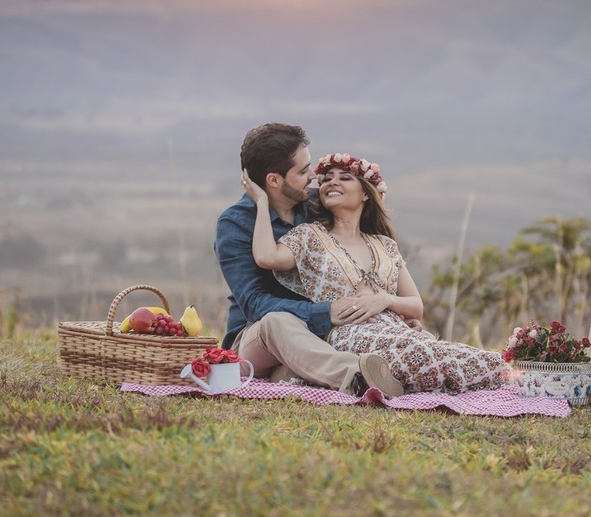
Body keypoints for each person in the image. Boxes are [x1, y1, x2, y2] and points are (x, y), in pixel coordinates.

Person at [245, 151, 510, 394]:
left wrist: (385, 300)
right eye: (326, 179)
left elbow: (415, 307)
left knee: (475, 357)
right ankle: (371, 376)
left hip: (397, 330)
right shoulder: (309, 237)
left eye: (345, 178)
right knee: (422, 354)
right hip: (349, 333)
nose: (330, 183)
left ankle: (518, 374)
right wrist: (261, 203)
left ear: (365, 194)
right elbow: (266, 257)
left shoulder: (385, 246)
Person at [215, 123, 404, 397]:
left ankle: (298, 374)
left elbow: (362, 254)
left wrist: (392, 310)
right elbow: (254, 304)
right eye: (303, 171)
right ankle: (357, 375)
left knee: (295, 368)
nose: (314, 176)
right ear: (274, 180)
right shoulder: (235, 224)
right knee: (276, 322)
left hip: (321, 338)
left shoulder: (318, 205)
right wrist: (326, 312)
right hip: (257, 338)